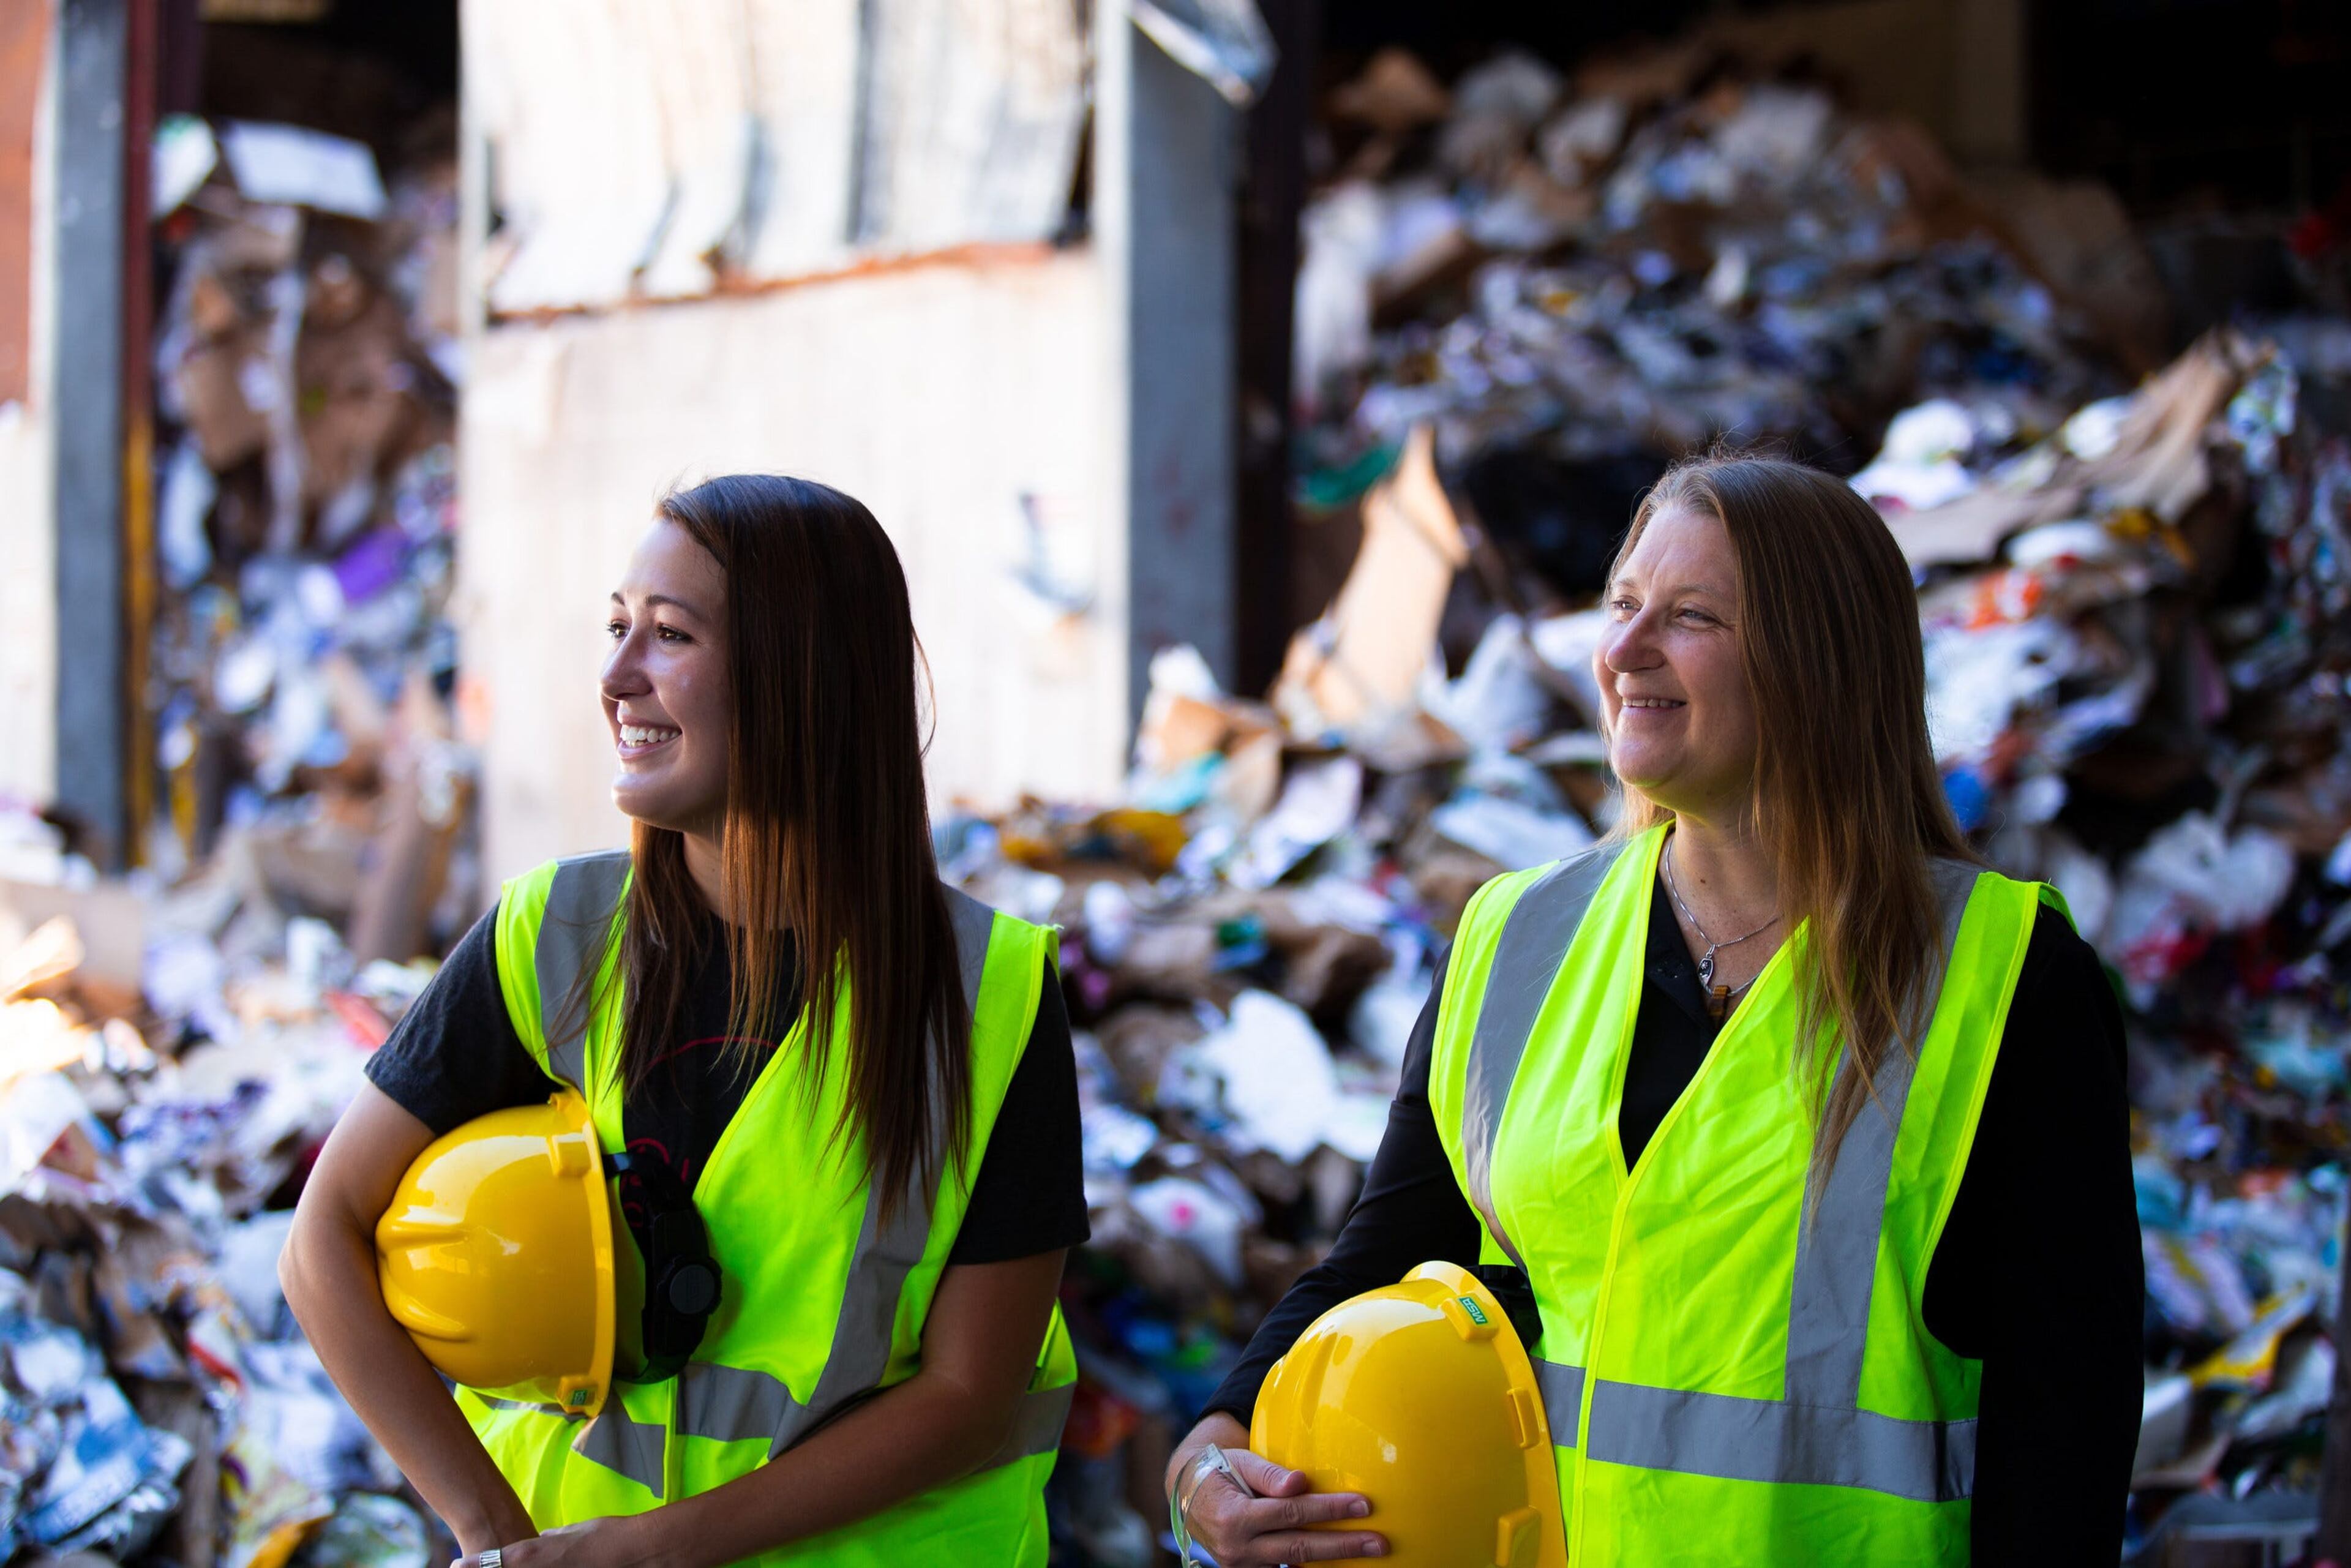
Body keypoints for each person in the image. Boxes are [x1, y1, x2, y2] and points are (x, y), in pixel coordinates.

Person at [1164, 454, 2143, 1566]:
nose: (1624, 651)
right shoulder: (1515, 938)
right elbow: (1381, 1261)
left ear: (1819, 663)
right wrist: (1210, 1446)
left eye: (1689, 617)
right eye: (1622, 604)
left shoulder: (2005, 974)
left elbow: (2065, 1425)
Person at [283, 475, 1089, 1567]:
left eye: (668, 635)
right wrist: (493, 1537)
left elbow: (970, 1391)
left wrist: (655, 1550)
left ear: (806, 675)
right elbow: (321, 1238)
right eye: (618, 628)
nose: (617, 679)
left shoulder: (987, 992)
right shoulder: (553, 936)